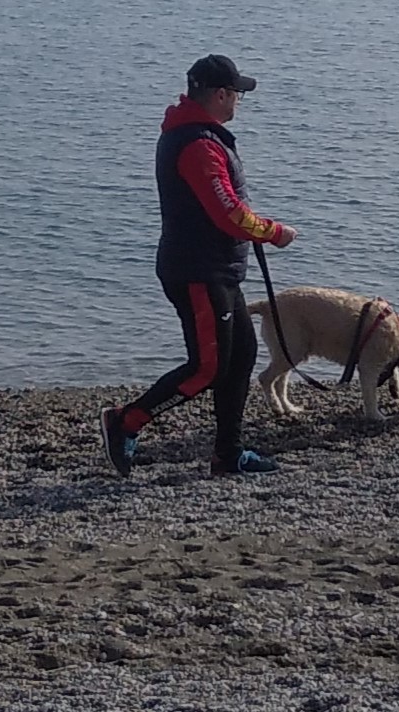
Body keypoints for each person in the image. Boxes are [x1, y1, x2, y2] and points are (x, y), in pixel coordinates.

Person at [100, 54, 298, 478]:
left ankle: (228, 455)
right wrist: (273, 232)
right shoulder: (197, 145)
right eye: (238, 94)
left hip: (216, 269)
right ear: (221, 95)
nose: (240, 102)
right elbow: (228, 212)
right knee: (207, 367)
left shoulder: (198, 135)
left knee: (240, 356)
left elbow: (226, 206)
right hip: (198, 271)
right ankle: (125, 421)